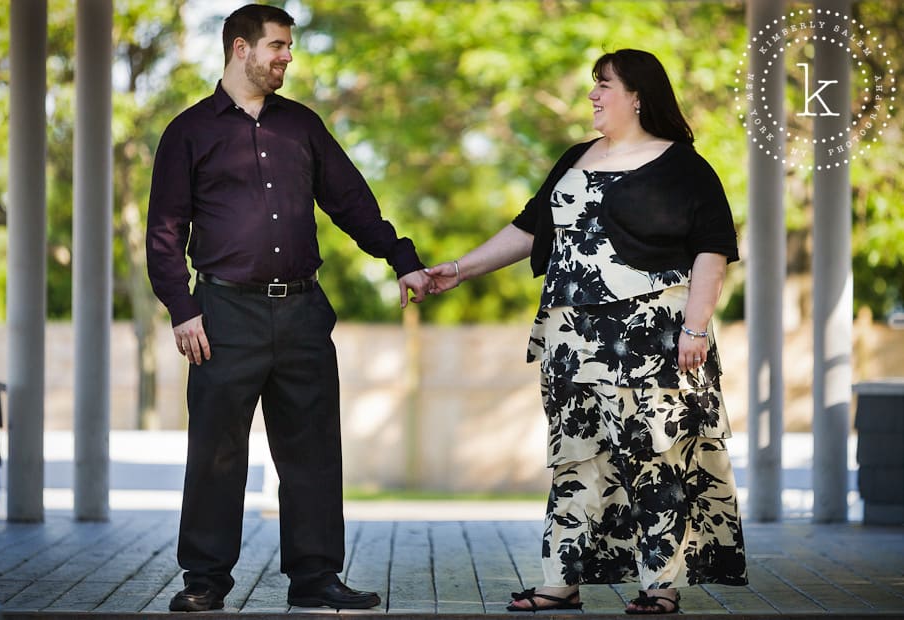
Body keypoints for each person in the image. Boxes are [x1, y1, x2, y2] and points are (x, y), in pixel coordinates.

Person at [426, 49, 748, 615]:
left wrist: (695, 327)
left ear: (638, 96)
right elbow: (531, 227)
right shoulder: (576, 157)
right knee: (575, 459)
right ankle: (559, 580)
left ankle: (659, 585)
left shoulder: (684, 166)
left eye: (603, 85)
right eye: (593, 86)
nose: (594, 95)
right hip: (571, 341)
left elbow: (712, 252)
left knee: (654, 457)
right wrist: (458, 269)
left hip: (654, 340)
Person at [145, 4, 431, 613]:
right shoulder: (188, 132)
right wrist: (181, 307)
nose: (286, 57)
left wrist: (401, 257)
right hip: (223, 314)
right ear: (240, 48)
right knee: (217, 453)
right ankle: (204, 581)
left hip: (301, 311)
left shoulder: (301, 126)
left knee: (313, 452)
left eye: (288, 47)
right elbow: (165, 230)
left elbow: (351, 201)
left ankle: (317, 579)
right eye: (276, 46)